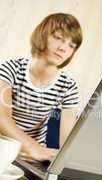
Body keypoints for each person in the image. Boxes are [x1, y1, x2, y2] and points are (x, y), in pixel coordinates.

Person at [0, 13, 83, 161]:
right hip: (4, 149)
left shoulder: (68, 86)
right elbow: (2, 118)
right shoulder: (9, 68)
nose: (63, 48)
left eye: (71, 45)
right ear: (42, 35)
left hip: (33, 159)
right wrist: (34, 148)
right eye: (58, 38)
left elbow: (66, 141)